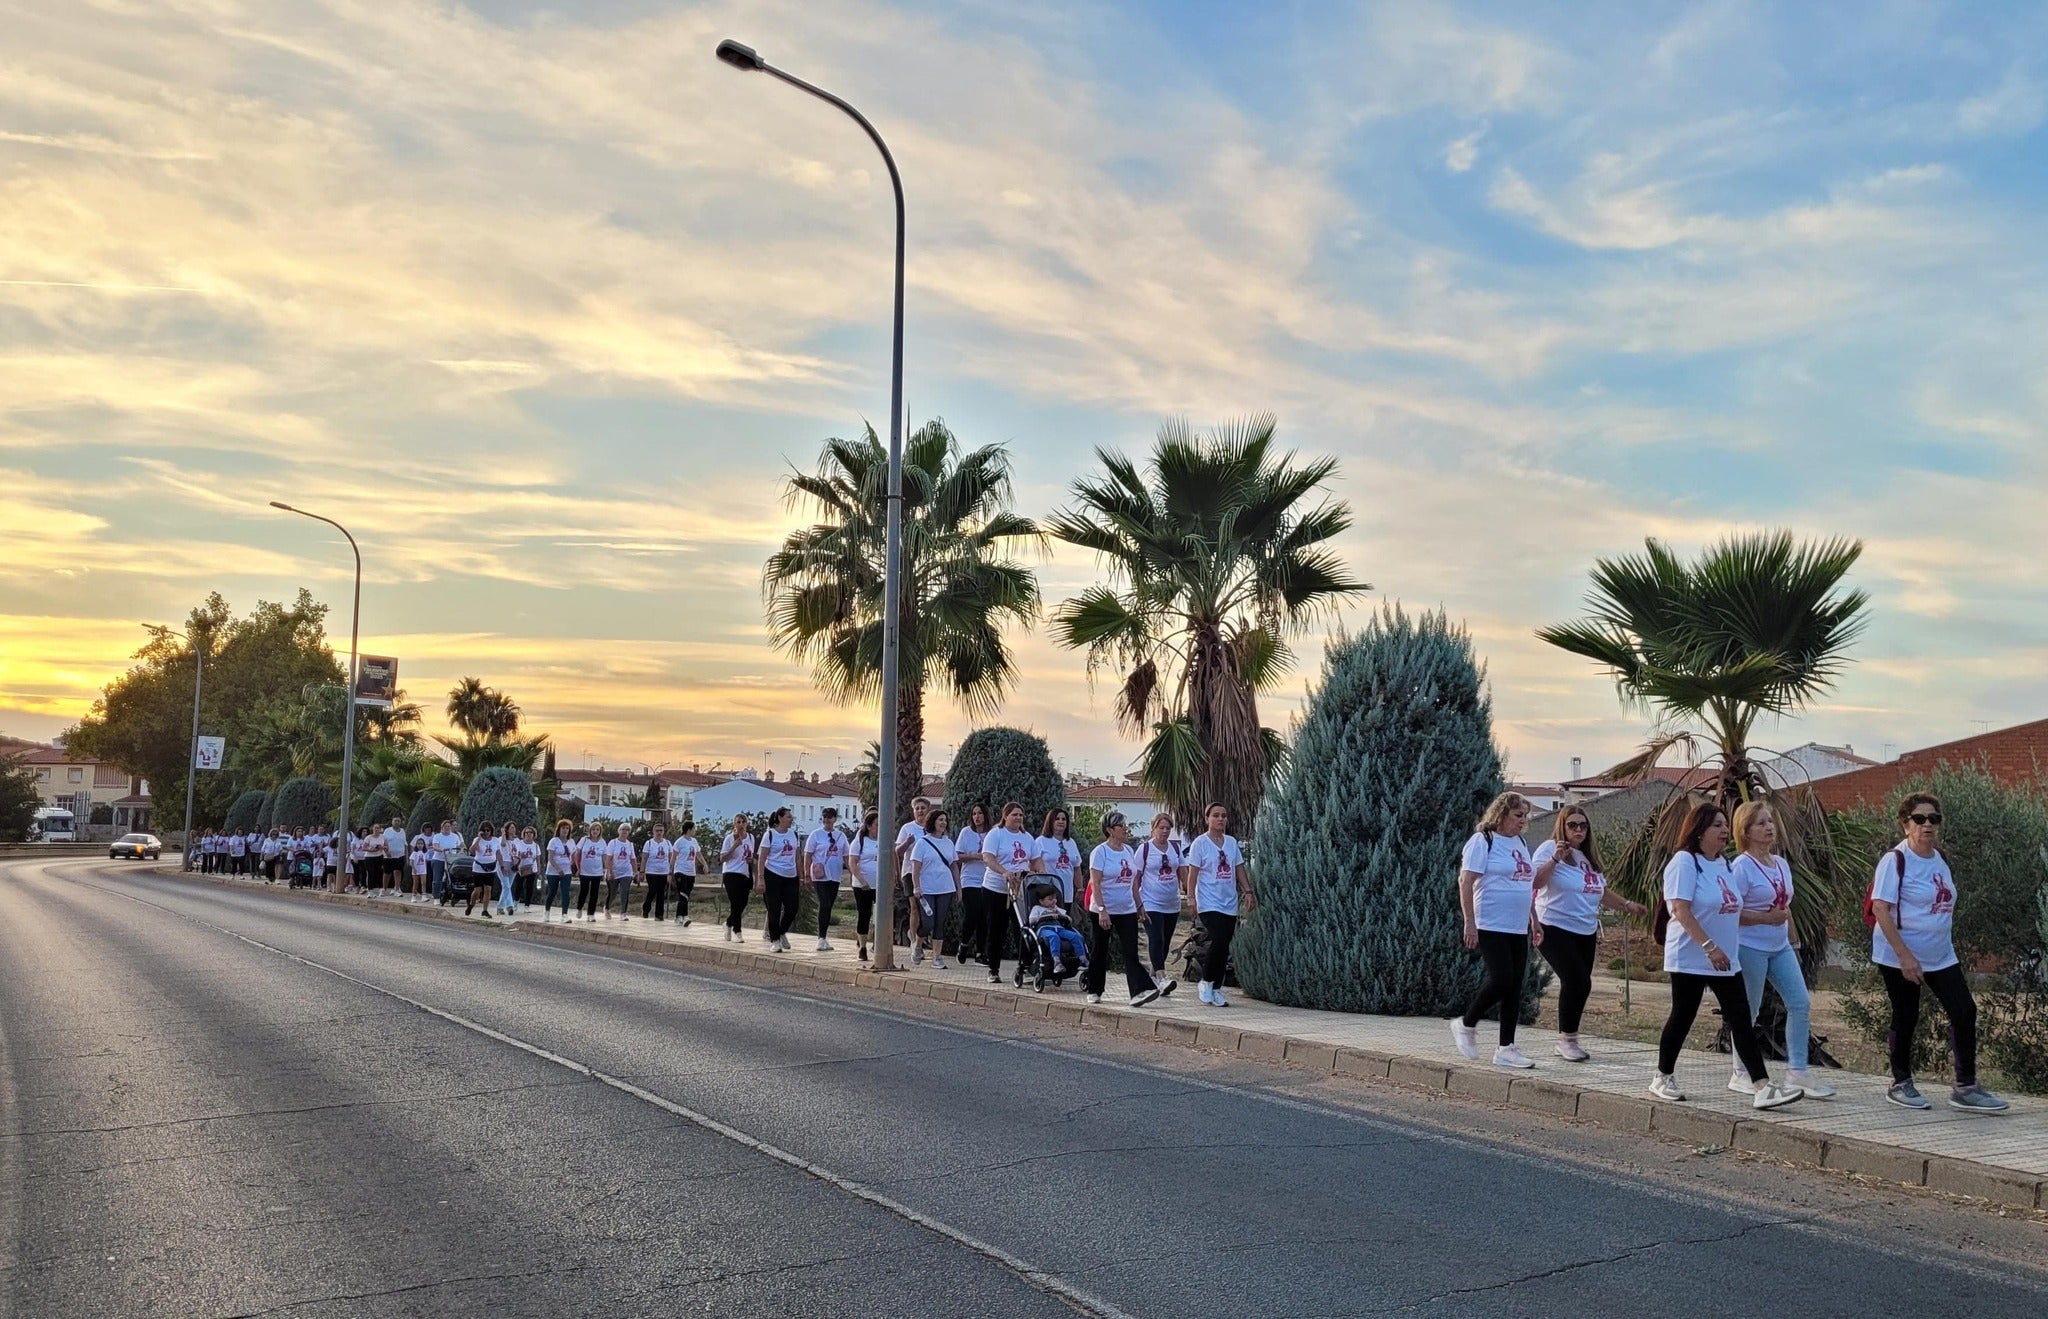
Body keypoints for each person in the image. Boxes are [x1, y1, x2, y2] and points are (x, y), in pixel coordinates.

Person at [1648, 802, 1802, 1110]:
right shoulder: (1684, 862)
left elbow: (1733, 908)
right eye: (1717, 825)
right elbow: (1680, 909)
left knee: (1742, 1018)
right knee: (1683, 1016)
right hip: (1692, 957)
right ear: (1699, 829)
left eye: (1724, 825)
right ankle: (1662, 1076)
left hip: (1725, 958)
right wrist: (1709, 946)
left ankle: (1761, 1086)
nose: (1723, 830)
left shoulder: (1725, 864)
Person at [1871, 792, 2008, 1113]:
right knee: (1906, 1015)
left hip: (1940, 955)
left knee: (1964, 1010)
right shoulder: (1895, 860)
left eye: (1934, 818)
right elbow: (1880, 909)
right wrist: (1905, 956)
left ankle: (1965, 1086)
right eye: (1919, 819)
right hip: (1897, 954)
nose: (1927, 824)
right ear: (1906, 824)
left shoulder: (1940, 858)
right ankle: (1900, 1082)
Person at [1728, 802, 1834, 1099]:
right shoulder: (1741, 867)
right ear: (1745, 831)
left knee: (1799, 1002)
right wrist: (1764, 918)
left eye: (1771, 821)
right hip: (1750, 946)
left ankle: (1797, 1072)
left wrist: (1794, 940)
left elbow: (1784, 907)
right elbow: (1731, 912)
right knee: (1748, 1010)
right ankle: (1741, 1072)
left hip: (1780, 946)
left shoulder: (1781, 864)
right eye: (1761, 823)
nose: (1769, 827)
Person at [1532, 806, 1646, 1062]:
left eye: (1583, 826)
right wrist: (1555, 860)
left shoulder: (1587, 858)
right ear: (1562, 826)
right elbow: (1535, 882)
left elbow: (1601, 891)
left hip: (1585, 928)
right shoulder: (1549, 849)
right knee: (1577, 980)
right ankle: (1566, 1040)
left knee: (1581, 983)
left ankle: (1569, 1038)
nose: (1578, 830)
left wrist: (1627, 905)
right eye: (1572, 825)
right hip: (1553, 925)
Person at [1452, 792, 1543, 1069]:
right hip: (1491, 923)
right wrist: (1469, 922)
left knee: (1515, 987)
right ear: (1501, 814)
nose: (1522, 821)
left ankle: (1506, 1048)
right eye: (1518, 815)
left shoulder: (1521, 842)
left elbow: (1526, 884)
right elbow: (1465, 882)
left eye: (1525, 816)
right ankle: (1466, 1024)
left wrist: (1534, 919)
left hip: (1517, 926)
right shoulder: (1483, 841)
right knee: (1502, 978)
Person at [1082, 812, 1173, 1007]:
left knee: (1131, 950)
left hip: (1126, 910)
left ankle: (1138, 991)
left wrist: (1140, 905)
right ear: (1109, 830)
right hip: (1103, 909)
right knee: (1100, 950)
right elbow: (1095, 883)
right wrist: (1101, 909)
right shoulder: (1100, 852)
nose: (1125, 828)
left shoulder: (1128, 851)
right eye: (1120, 825)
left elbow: (1133, 883)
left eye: (1125, 824)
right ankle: (1094, 989)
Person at [1184, 803, 1251, 1008]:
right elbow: (1192, 873)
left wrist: (1248, 891)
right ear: (1207, 819)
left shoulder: (1231, 843)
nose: (1220, 819)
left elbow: (1238, 868)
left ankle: (1216, 988)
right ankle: (1205, 981)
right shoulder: (1200, 844)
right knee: (1218, 940)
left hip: (1228, 901)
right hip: (1209, 901)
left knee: (1224, 946)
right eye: (1215, 815)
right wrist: (1191, 897)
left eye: (1223, 816)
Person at [979, 802, 1039, 986]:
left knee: (1021, 929)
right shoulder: (996, 834)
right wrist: (1003, 871)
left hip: (1019, 889)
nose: (1018, 818)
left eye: (1020, 815)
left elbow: (1035, 859)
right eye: (1014, 814)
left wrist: (1038, 873)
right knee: (996, 929)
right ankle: (993, 969)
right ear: (1005, 816)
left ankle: (1025, 967)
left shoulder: (1027, 837)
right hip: (996, 888)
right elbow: (988, 857)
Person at [1136, 812, 1186, 984]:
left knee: (1165, 941)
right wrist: (1138, 904)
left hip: (1172, 902)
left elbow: (1182, 870)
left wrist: (1190, 891)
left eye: (1168, 828)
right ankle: (1161, 976)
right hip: (1151, 901)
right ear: (1154, 828)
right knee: (1156, 938)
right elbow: (1136, 877)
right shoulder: (1145, 849)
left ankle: (1153, 974)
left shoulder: (1175, 849)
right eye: (1161, 827)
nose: (1164, 831)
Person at [909, 808, 959, 969]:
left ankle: (937, 956)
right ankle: (918, 945)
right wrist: (916, 886)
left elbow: (954, 866)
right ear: (933, 822)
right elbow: (915, 867)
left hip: (945, 888)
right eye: (940, 820)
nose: (943, 823)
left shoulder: (949, 843)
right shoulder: (922, 843)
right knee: (928, 922)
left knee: (939, 922)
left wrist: (959, 888)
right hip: (927, 889)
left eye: (945, 820)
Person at [757, 808, 802, 952]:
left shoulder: (793, 834)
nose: (791, 819)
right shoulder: (770, 835)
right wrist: (761, 878)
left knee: (792, 908)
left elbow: (797, 856)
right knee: (774, 909)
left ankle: (782, 932)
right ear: (780, 818)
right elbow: (762, 858)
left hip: (791, 875)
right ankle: (775, 940)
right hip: (773, 874)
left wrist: (800, 876)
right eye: (788, 817)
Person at [804, 808, 846, 952]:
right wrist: (806, 875)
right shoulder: (816, 835)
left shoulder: (841, 836)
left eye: (830, 817)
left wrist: (854, 873)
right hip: (820, 875)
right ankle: (821, 938)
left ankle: (825, 937)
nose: (827, 820)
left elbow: (846, 856)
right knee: (824, 903)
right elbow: (808, 855)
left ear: (835, 819)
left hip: (835, 876)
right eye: (824, 817)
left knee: (829, 905)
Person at [955, 803, 990, 964]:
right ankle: (963, 944)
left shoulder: (991, 834)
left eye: (980, 813)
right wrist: (975, 856)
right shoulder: (966, 833)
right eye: (974, 813)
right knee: (973, 913)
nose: (977, 817)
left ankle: (980, 952)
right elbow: (958, 855)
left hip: (987, 879)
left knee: (984, 916)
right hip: (970, 879)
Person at [894, 797, 932, 948]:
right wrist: (907, 843)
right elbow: (897, 852)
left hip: (928, 872)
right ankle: (915, 941)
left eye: (923, 808)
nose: (920, 811)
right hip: (910, 871)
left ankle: (919, 935)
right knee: (915, 905)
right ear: (913, 811)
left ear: (927, 810)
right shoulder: (907, 828)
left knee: (927, 907)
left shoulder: (931, 828)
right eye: (917, 808)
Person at [1028, 886, 1087, 976]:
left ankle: (1082, 959)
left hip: (1059, 928)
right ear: (1041, 901)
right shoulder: (1037, 908)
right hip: (1045, 929)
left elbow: (1068, 919)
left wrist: (1059, 914)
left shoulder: (1056, 908)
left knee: (1076, 936)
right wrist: (1046, 916)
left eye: (1055, 898)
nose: (1054, 901)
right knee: (1054, 937)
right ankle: (1057, 961)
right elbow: (1031, 920)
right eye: (1050, 899)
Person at [847, 813, 881, 962]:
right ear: (869, 826)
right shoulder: (860, 841)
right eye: (876, 825)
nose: (879, 828)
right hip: (863, 885)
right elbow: (852, 862)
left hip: (880, 885)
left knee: (880, 916)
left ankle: (878, 943)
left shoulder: (884, 840)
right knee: (864, 914)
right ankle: (862, 947)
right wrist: (862, 880)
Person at [1035, 808, 1082, 909]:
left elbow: (1077, 868)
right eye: (1057, 819)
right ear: (1050, 821)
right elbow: (1033, 864)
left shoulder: (1071, 842)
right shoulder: (1041, 841)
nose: (1061, 821)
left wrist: (1080, 888)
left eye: (1064, 819)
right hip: (1048, 895)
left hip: (1067, 894)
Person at [719, 814, 756, 942]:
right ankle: (737, 931)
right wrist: (734, 846)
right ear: (734, 824)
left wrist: (752, 860)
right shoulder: (729, 838)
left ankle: (728, 923)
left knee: (743, 902)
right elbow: (722, 858)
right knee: (735, 902)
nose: (741, 824)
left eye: (743, 822)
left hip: (744, 873)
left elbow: (751, 855)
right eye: (738, 822)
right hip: (731, 873)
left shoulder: (751, 837)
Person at [641, 822, 677, 921]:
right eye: (657, 831)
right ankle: (646, 908)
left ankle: (659, 914)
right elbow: (644, 858)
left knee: (661, 892)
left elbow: (671, 857)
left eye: (661, 831)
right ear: (653, 832)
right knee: (652, 890)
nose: (659, 833)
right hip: (651, 871)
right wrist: (642, 872)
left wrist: (671, 871)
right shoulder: (649, 843)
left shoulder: (668, 843)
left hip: (663, 871)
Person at [542, 820, 576, 922]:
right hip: (553, 871)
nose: (565, 830)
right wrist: (558, 869)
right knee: (552, 892)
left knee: (565, 892)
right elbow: (550, 858)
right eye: (563, 828)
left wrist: (573, 865)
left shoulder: (571, 842)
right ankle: (547, 912)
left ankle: (564, 914)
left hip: (566, 871)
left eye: (567, 828)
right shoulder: (554, 841)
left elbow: (573, 856)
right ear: (559, 829)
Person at [670, 820, 703, 925]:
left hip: (691, 872)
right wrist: (670, 872)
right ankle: (685, 916)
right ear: (689, 829)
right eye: (694, 828)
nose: (695, 830)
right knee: (683, 894)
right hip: (680, 871)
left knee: (685, 896)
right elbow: (673, 857)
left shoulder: (694, 841)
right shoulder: (679, 842)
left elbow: (698, 855)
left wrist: (705, 864)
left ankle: (678, 916)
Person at [575, 821, 608, 923]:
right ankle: (579, 907)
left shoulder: (602, 842)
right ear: (590, 830)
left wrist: (606, 869)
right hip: (584, 871)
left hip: (597, 872)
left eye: (597, 829)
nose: (595, 831)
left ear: (600, 831)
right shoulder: (584, 840)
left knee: (594, 893)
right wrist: (577, 867)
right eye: (593, 829)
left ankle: (591, 914)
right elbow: (577, 853)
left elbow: (604, 857)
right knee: (583, 891)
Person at [466, 821, 500, 918]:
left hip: (491, 867)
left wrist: (501, 865)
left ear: (491, 831)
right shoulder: (477, 839)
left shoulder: (495, 840)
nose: (486, 832)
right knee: (477, 890)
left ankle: (485, 910)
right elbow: (471, 850)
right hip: (479, 868)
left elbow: (498, 853)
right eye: (483, 830)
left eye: (488, 830)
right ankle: (471, 905)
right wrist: (479, 839)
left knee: (488, 889)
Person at [604, 822, 637, 921]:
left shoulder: (630, 845)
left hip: (626, 872)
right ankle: (607, 908)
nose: (625, 832)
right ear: (619, 831)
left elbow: (633, 859)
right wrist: (609, 871)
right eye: (623, 829)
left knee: (624, 892)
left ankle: (623, 912)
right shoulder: (613, 843)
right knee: (612, 893)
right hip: (614, 871)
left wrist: (636, 872)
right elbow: (608, 859)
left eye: (627, 830)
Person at [431, 819, 463, 903]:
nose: (447, 828)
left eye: (449, 826)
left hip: (451, 860)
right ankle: (436, 897)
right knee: (437, 878)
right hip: (439, 859)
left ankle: (452, 895)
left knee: (452, 878)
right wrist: (441, 849)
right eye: (445, 826)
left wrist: (461, 851)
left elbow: (460, 846)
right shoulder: (437, 836)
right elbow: (435, 846)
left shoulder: (455, 836)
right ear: (442, 827)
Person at [495, 822, 521, 915]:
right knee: (506, 885)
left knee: (507, 886)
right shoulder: (501, 839)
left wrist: (517, 861)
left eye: (514, 827)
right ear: (507, 829)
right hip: (503, 863)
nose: (513, 829)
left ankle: (500, 907)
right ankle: (509, 906)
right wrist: (503, 834)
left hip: (513, 864)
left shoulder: (517, 840)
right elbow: (502, 845)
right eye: (511, 827)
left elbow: (519, 852)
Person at [513, 825, 540, 910]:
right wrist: (521, 855)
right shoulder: (519, 843)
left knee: (529, 887)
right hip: (521, 867)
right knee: (518, 886)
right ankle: (516, 902)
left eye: (530, 832)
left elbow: (538, 858)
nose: (528, 834)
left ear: (533, 834)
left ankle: (527, 905)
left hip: (531, 868)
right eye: (527, 832)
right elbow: (514, 854)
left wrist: (539, 869)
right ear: (524, 834)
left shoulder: (536, 845)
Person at [383, 816, 409, 897]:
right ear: (392, 822)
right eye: (395, 821)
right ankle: (384, 889)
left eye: (398, 821)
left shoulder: (402, 831)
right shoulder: (387, 831)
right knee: (387, 873)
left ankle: (397, 889)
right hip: (389, 856)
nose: (397, 822)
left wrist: (407, 856)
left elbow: (405, 844)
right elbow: (384, 842)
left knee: (398, 872)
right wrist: (386, 852)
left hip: (400, 855)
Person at [408, 834, 429, 901]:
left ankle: (424, 896)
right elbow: (411, 862)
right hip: (416, 870)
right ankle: (413, 896)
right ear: (416, 845)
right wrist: (414, 869)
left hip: (423, 870)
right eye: (418, 844)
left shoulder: (425, 853)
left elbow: (425, 861)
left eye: (421, 844)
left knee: (423, 882)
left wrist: (425, 869)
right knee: (416, 882)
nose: (420, 845)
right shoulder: (414, 853)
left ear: (424, 845)